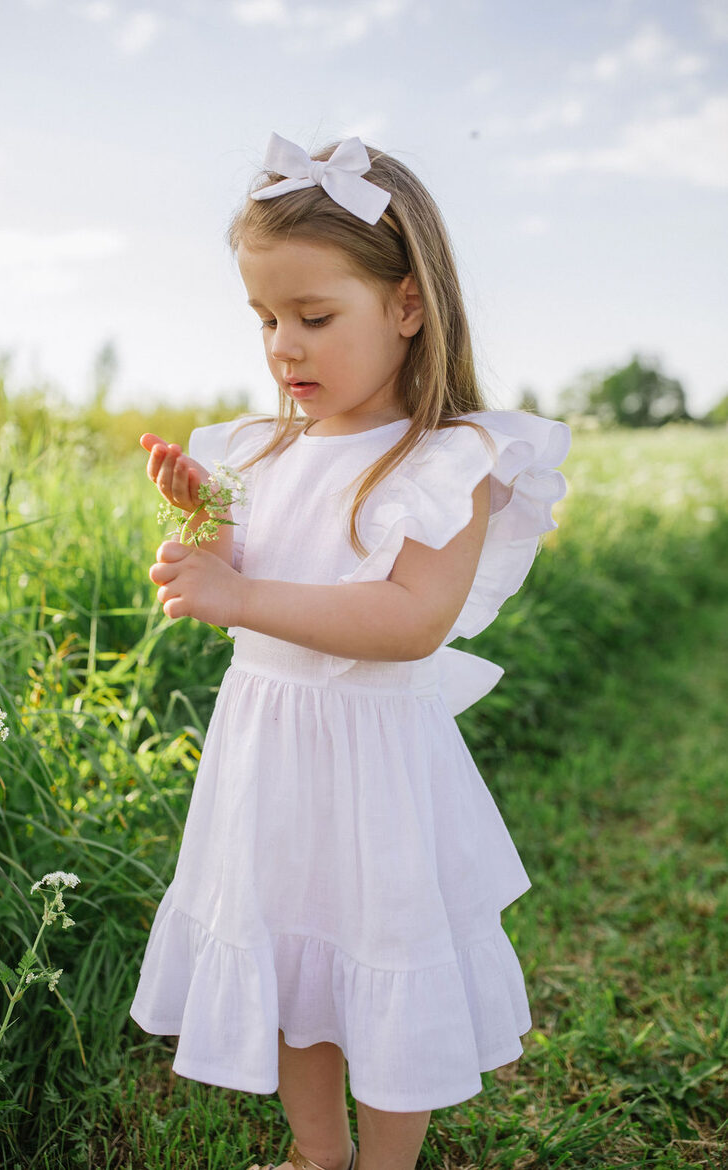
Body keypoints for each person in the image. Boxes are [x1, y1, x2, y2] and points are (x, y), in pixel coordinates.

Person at [130, 132, 571, 1170]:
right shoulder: (257, 451)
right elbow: (235, 579)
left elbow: (410, 619)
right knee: (295, 967)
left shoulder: (448, 458)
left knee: (384, 967)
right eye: (265, 319)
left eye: (314, 317)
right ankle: (315, 1152)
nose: (284, 348)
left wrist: (242, 594)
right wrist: (204, 525)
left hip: (375, 769)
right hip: (269, 759)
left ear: (407, 306)